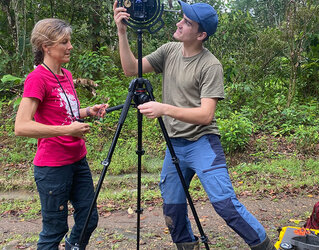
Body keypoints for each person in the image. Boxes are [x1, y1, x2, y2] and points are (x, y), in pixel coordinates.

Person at [113, 1, 275, 249]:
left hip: (203, 142)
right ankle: (187, 245)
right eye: (182, 18)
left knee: (224, 203)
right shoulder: (169, 51)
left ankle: (263, 245)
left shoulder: (210, 65)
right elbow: (129, 69)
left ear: (201, 35)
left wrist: (163, 108)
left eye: (187, 22)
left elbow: (205, 115)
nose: (179, 23)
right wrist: (122, 33)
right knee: (172, 205)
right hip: (175, 144)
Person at [14, 18, 108, 250]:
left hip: (78, 160)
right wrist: (67, 130)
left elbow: (66, 113)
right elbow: (22, 126)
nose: (70, 46)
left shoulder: (65, 75)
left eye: (69, 41)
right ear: (46, 47)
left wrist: (87, 111)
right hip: (52, 166)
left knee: (89, 219)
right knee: (54, 229)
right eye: (64, 42)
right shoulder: (37, 78)